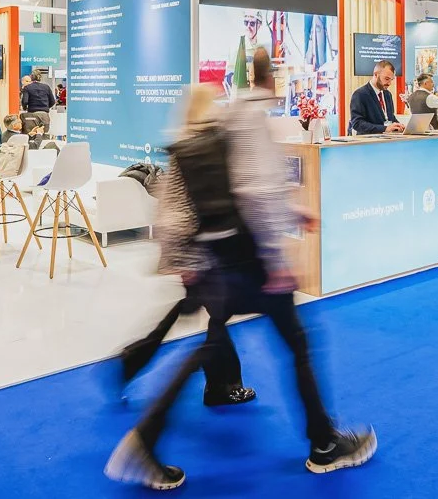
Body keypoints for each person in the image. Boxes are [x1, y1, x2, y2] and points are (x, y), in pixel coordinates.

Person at [105, 49, 376, 490]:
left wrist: (285, 218)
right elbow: (255, 191)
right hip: (244, 259)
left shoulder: (217, 125)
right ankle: (324, 444)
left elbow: (230, 195)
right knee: (295, 342)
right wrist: (274, 260)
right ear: (272, 80)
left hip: (218, 259)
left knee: (214, 345)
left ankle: (148, 436)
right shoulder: (248, 120)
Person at [116, 85, 255, 410]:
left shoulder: (187, 144)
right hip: (195, 249)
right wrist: (188, 257)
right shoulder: (196, 149)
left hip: (193, 248)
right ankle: (222, 386)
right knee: (216, 316)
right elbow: (182, 208)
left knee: (205, 314)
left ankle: (137, 360)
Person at [349, 60, 403, 134]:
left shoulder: (388, 94)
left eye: (391, 79)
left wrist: (398, 126)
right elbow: (357, 123)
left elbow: (390, 117)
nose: (389, 83)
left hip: (387, 140)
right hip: (369, 142)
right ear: (375, 75)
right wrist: (384, 129)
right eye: (386, 79)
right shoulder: (360, 94)